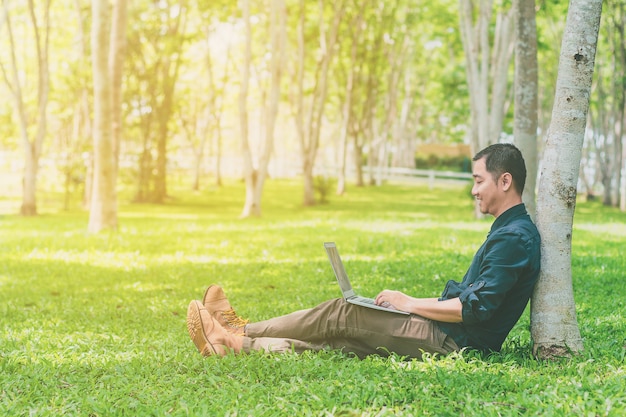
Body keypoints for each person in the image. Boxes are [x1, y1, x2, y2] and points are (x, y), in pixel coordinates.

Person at [186, 143, 541, 359]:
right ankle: (230, 344)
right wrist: (415, 305)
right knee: (340, 342)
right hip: (452, 336)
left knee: (342, 315)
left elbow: (476, 309)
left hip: (455, 342)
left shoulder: (514, 238)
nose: (474, 191)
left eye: (478, 180)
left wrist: (409, 304)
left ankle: (240, 329)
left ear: (505, 180)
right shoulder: (511, 232)